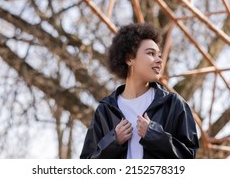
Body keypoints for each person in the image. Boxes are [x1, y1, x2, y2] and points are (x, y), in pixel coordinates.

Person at [80, 22, 199, 159]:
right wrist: (114, 141)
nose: (159, 60)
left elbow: (189, 158)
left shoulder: (174, 105)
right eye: (151, 53)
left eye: (159, 55)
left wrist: (154, 135)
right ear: (129, 58)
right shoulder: (105, 110)